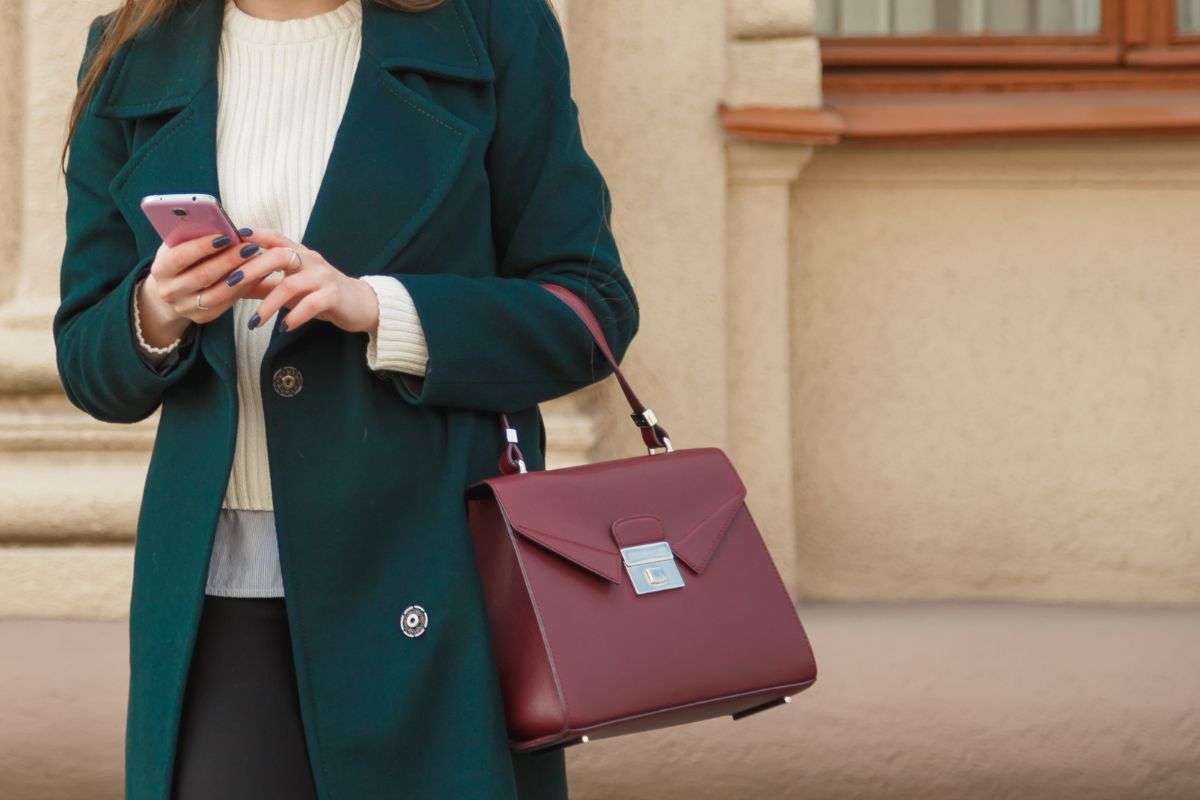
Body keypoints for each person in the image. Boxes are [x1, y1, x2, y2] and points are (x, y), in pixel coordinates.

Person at [53, 0, 638, 797]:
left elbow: (591, 310)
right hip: (220, 583)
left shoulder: (493, 28)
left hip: (433, 575)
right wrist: (156, 310)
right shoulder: (132, 47)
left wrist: (378, 307)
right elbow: (89, 363)